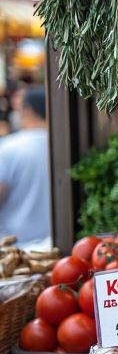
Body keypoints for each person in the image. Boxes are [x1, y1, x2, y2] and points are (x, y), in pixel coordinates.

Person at [0, 86, 51, 247]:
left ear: (28, 110)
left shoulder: (8, 148)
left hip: (16, 252)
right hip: (57, 245)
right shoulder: (64, 146)